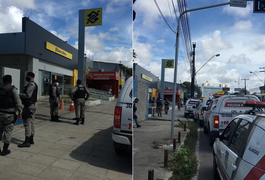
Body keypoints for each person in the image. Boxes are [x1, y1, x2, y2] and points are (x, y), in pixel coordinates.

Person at [0, 75, 23, 155]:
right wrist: (20, 112)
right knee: (8, 132)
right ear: (11, 80)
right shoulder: (12, 89)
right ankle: (5, 150)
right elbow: (18, 102)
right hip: (9, 115)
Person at [18, 72, 38, 148]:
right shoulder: (32, 84)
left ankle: (27, 141)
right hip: (32, 105)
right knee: (32, 122)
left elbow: (28, 95)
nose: (27, 77)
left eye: (27, 76)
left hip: (29, 106)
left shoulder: (31, 84)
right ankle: (31, 139)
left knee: (27, 123)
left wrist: (20, 94)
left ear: (30, 77)